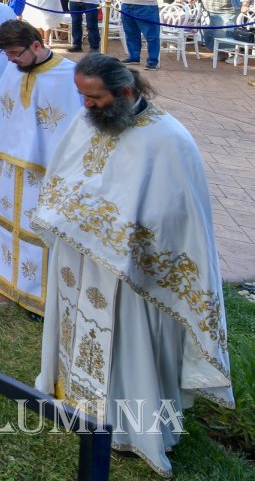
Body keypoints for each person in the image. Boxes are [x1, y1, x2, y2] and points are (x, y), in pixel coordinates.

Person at [32, 54, 233, 474]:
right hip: (80, 259)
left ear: (125, 92)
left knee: (127, 343)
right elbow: (63, 176)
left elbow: (175, 218)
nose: (85, 106)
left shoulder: (169, 140)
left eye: (95, 97)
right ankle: (80, 402)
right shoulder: (87, 120)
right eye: (82, 96)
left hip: (130, 273)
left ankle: (128, 427)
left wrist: (115, 232)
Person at [0, 21, 79, 315]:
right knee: (5, 221)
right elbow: (1, 112)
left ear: (37, 46)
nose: (12, 60)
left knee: (37, 228)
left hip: (45, 173)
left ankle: (35, 291)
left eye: (16, 53)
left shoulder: (68, 76)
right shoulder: (13, 70)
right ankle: (4, 276)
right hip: (9, 167)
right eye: (7, 55)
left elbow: (72, 128)